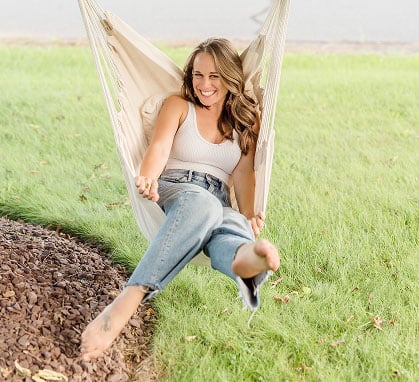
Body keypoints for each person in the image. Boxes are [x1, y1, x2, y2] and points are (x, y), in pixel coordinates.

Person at [80, 38, 280, 361]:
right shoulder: (178, 106)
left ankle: (248, 260)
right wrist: (147, 176)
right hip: (176, 190)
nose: (204, 84)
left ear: (230, 78)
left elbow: (244, 175)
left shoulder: (247, 121)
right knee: (205, 207)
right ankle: (129, 299)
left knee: (230, 224)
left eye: (214, 76)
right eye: (198, 75)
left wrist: (249, 214)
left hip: (217, 199)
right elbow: (158, 147)